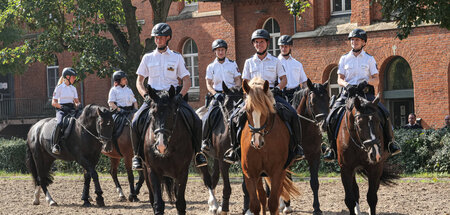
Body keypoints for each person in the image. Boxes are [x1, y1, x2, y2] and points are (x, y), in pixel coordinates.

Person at [130, 23, 207, 170]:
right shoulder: (147, 58)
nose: (158, 40)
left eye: (160, 37)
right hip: (154, 98)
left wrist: (180, 95)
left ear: (168, 38)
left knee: (196, 120)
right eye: (156, 37)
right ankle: (137, 156)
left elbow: (186, 80)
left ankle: (198, 153)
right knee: (135, 122)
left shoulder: (176, 57)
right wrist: (145, 95)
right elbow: (139, 81)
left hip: (172, 98)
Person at [223, 29, 305, 164]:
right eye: (256, 42)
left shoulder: (275, 61)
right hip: (254, 97)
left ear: (267, 43)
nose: (259, 44)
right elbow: (245, 82)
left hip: (271, 95)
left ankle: (297, 147)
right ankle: (234, 149)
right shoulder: (249, 62)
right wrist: (250, 93)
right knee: (233, 118)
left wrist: (278, 89)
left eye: (261, 42)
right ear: (253, 44)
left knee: (293, 114)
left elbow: (284, 79)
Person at [324, 28, 401, 161]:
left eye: (357, 40)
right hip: (348, 94)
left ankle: (390, 143)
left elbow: (376, 80)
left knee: (385, 113)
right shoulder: (344, 58)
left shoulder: (369, 59)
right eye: (352, 40)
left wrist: (366, 82)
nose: (354, 42)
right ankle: (332, 148)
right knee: (331, 117)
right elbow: (339, 79)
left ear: (363, 42)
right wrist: (347, 85)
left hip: (365, 94)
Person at [201, 39, 242, 152]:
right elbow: (208, 84)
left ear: (225, 51)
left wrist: (235, 90)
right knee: (207, 116)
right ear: (215, 51)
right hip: (218, 96)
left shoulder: (232, 64)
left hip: (232, 96)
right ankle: (205, 141)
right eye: (218, 50)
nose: (221, 52)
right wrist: (215, 94)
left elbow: (238, 80)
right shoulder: (211, 67)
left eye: (222, 50)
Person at [51, 67, 81, 154]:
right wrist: (62, 107)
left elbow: (76, 101)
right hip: (62, 109)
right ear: (67, 76)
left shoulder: (73, 88)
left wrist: (78, 105)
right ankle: (55, 145)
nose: (74, 79)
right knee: (60, 123)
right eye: (73, 77)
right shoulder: (59, 88)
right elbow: (53, 102)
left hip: (71, 109)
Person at [277, 35, 307, 103]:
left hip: (296, 96)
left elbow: (304, 82)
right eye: (282, 46)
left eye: (286, 46)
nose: (283, 49)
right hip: (281, 95)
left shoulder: (297, 64)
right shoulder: (275, 63)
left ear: (290, 47)